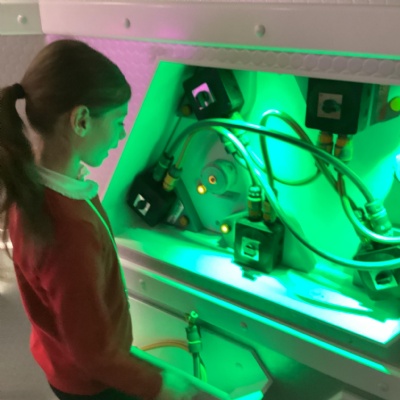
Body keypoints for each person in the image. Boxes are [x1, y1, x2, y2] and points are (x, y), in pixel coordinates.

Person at [0, 39, 197, 400]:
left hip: (61, 362)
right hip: (91, 384)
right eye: (118, 121)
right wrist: (161, 386)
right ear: (81, 120)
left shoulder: (33, 189)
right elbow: (94, 354)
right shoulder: (68, 230)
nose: (122, 134)